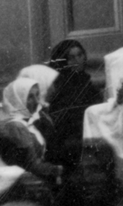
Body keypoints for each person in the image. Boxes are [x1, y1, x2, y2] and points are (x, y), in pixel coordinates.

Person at [43, 39, 101, 168]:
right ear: (63, 61)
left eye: (80, 55)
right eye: (71, 57)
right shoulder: (58, 85)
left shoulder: (86, 82)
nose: (77, 61)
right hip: (68, 140)